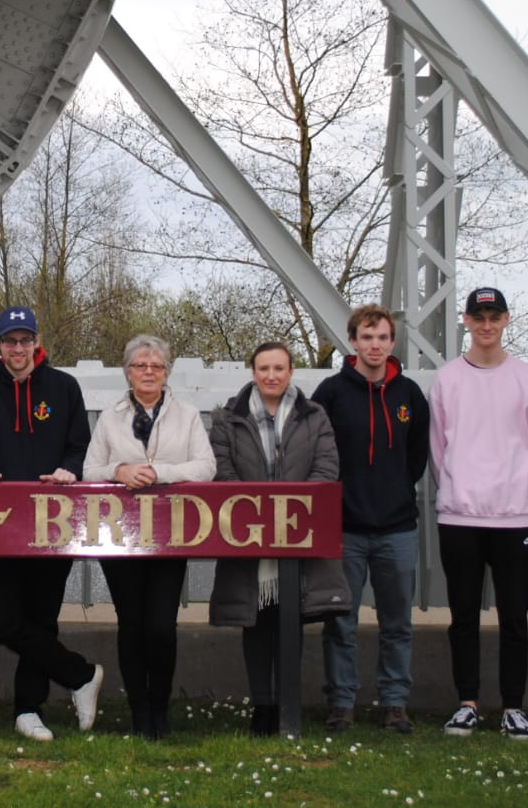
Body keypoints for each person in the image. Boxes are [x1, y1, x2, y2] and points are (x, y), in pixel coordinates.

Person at [0, 305, 105, 742]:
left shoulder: (63, 387)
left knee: (40, 618)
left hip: (53, 520)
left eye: (25, 340)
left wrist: (69, 469)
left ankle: (29, 709)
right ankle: (80, 673)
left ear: (36, 342)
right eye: (10, 341)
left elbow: (79, 445)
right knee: (1, 621)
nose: (18, 348)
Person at [208, 341, 349, 737]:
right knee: (255, 624)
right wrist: (253, 510)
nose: (271, 375)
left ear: (291, 371)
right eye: (264, 368)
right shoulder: (227, 417)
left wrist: (292, 510)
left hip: (297, 535)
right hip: (246, 535)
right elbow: (222, 471)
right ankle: (263, 707)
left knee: (291, 623)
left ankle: (288, 703)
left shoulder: (314, 415)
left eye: (279, 368)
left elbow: (326, 467)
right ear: (252, 371)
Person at [428, 287, 528, 741]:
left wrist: (514, 487)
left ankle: (514, 707)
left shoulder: (527, 379)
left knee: (515, 617)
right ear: (466, 320)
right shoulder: (448, 379)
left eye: (494, 316)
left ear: (506, 320)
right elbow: (439, 448)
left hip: (515, 515)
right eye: (478, 316)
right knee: (463, 616)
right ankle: (467, 703)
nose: (486, 325)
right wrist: (459, 487)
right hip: (460, 515)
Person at [84, 333, 215, 739]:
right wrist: (119, 470)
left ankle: (160, 710)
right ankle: (139, 713)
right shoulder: (110, 417)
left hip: (169, 534)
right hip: (119, 535)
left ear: (167, 372)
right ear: (127, 372)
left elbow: (206, 466)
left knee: (161, 626)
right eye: (140, 365)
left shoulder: (187, 415)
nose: (148, 372)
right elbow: (90, 471)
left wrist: (163, 474)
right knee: (132, 625)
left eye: (156, 366)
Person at [312, 303, 430, 735]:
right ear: (353, 341)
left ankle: (394, 703)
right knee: (340, 621)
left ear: (392, 342)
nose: (374, 345)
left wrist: (396, 489)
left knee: (396, 622)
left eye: (382, 337)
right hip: (343, 527)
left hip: (397, 528)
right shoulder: (331, 392)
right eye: (366, 337)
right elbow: (318, 451)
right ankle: (342, 703)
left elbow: (416, 454)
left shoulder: (409, 395)